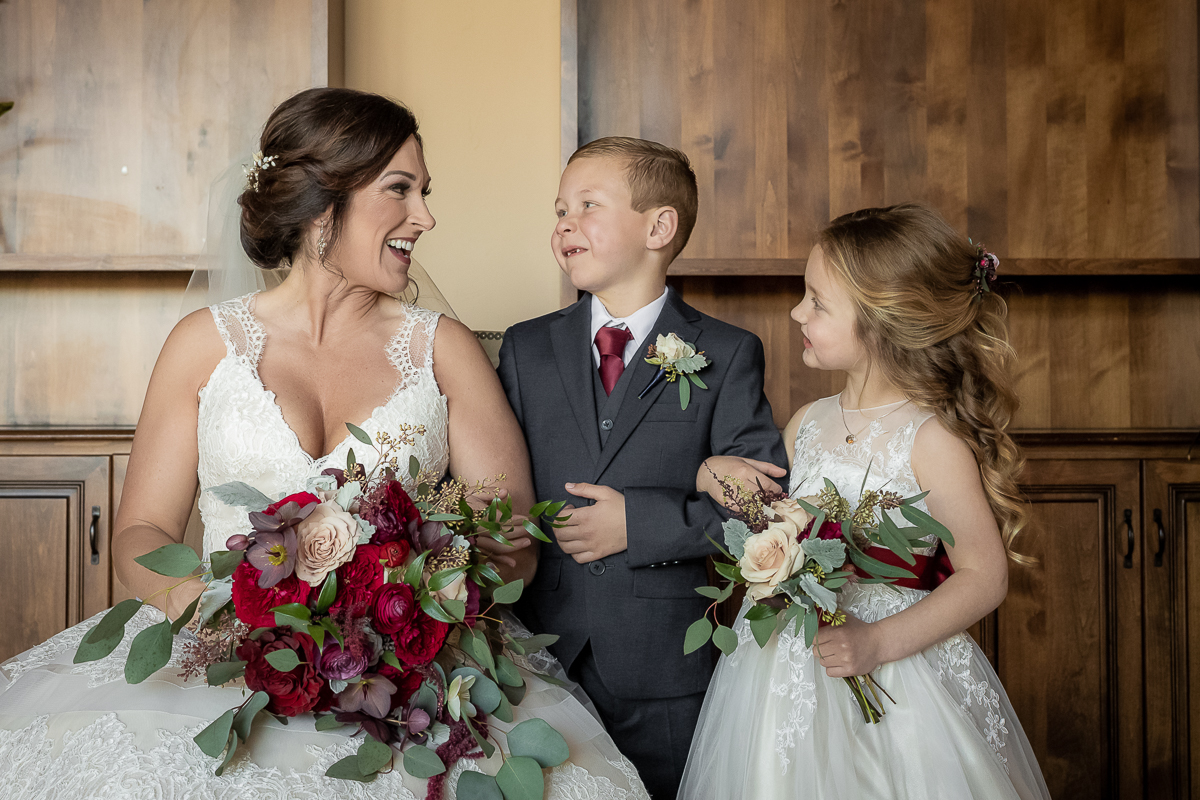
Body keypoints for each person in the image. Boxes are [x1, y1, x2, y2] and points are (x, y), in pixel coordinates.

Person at [0, 88, 648, 799]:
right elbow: (140, 531)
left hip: (408, 671)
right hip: (220, 655)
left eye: (425, 192)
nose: (426, 217)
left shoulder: (445, 351)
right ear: (320, 203)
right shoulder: (201, 344)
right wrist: (215, 614)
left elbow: (514, 542)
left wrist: (411, 590)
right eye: (400, 189)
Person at [678, 204, 1052, 799]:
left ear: (883, 323)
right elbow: (772, 517)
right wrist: (711, 473)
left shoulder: (932, 440)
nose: (797, 311)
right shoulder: (807, 422)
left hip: (895, 664)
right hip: (788, 663)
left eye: (817, 302)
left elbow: (985, 577)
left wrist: (876, 643)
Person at [497, 136, 788, 799]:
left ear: (659, 227)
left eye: (588, 206)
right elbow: (493, 484)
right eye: (559, 209)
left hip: (666, 669)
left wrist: (642, 522)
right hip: (539, 652)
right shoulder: (525, 347)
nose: (564, 224)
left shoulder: (728, 352)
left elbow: (762, 511)